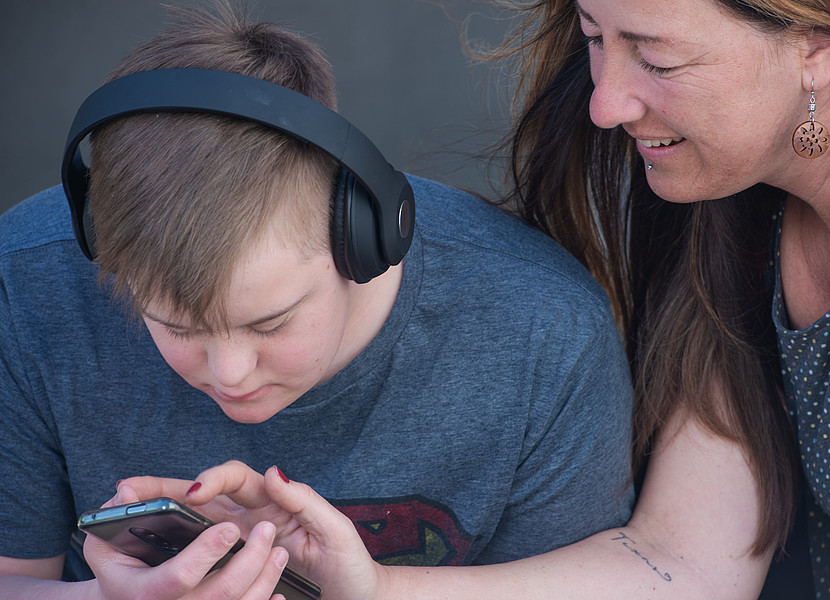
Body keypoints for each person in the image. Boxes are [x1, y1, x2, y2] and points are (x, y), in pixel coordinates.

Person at [115, 0, 830, 598]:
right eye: (596, 39)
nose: (604, 102)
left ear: (820, 45)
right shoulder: (722, 188)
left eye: (657, 61)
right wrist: (373, 586)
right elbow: (686, 562)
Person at [0, 3, 637, 598]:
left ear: (363, 238)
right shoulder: (23, 286)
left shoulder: (544, 333)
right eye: (172, 324)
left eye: (270, 322)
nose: (229, 374)